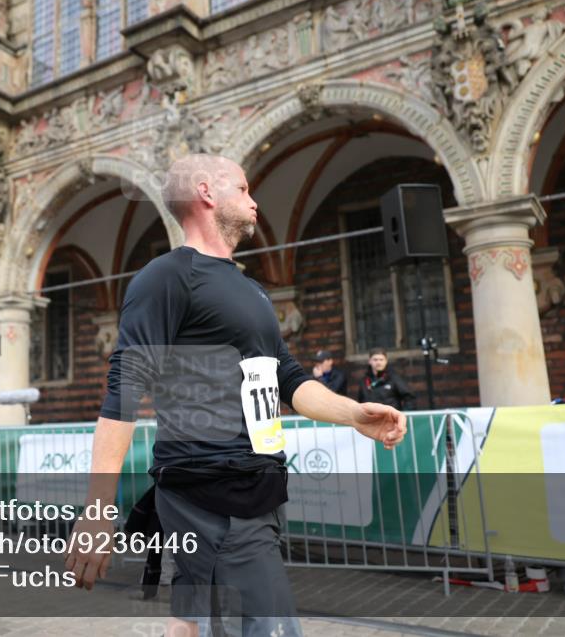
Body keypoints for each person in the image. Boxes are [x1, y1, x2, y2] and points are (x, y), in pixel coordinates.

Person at [64, 154, 407, 637]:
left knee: (194, 624)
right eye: (243, 189)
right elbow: (124, 387)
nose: (254, 200)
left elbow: (287, 377)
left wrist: (354, 413)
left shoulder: (249, 289)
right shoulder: (167, 277)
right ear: (207, 192)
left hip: (255, 488)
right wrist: (98, 512)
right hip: (212, 492)